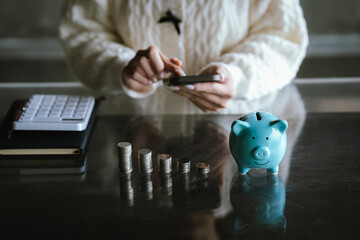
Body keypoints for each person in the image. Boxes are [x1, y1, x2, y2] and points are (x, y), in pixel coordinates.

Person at [59, 0, 308, 114]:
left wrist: (237, 75)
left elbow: (282, 38)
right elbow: (84, 31)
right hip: (132, 131)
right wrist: (122, 68)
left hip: (241, 134)